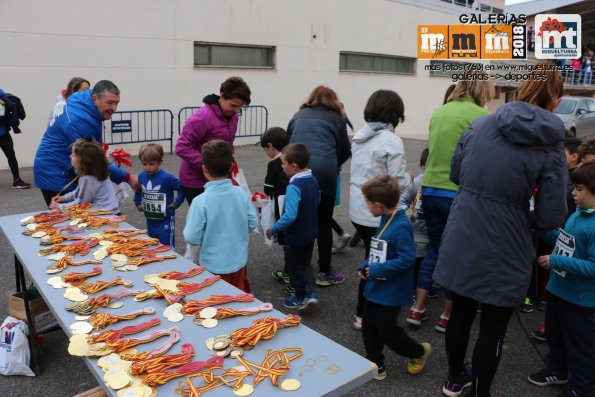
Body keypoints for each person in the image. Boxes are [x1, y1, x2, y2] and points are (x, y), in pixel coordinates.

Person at [433, 64, 567, 397]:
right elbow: (551, 214)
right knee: (493, 327)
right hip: (508, 237)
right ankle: (481, 391)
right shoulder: (550, 143)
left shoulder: (481, 123)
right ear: (556, 97)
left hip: (464, 226)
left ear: (523, 87)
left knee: (460, 313)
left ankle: (453, 378)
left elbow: (456, 173)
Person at [407, 74, 494, 333]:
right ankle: (446, 316)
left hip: (431, 189)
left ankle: (418, 308)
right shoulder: (481, 116)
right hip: (458, 192)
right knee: (458, 255)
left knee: (435, 249)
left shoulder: (439, 112)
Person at [527, 162, 595, 397]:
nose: (573, 193)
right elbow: (566, 242)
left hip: (580, 301)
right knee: (555, 337)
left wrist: (557, 261)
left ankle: (581, 388)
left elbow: (593, 267)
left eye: (579, 189)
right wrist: (546, 231)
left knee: (580, 347)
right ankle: (557, 369)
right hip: (559, 291)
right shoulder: (578, 214)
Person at [357, 175, 431, 381]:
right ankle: (375, 362)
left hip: (391, 292)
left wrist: (377, 270)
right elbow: (377, 248)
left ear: (379, 205)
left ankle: (418, 352)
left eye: (368, 203)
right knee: (369, 328)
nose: (367, 207)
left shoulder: (400, 226)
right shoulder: (386, 218)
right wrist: (365, 266)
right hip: (376, 287)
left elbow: (407, 258)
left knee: (387, 331)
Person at [349, 89, 412, 330]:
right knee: (376, 263)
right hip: (379, 212)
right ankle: (366, 314)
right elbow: (395, 181)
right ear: (395, 114)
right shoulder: (391, 140)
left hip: (359, 208)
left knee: (371, 256)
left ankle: (364, 313)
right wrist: (408, 177)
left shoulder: (360, 136)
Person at [34, 80, 138, 207]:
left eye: (117, 103)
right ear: (94, 98)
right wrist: (128, 178)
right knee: (70, 220)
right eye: (109, 103)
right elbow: (95, 160)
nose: (114, 108)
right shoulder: (79, 120)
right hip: (55, 173)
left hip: (65, 169)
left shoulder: (86, 104)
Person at [287, 85, 351, 287]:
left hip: (299, 172)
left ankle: (294, 268)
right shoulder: (336, 118)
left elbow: (290, 143)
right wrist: (333, 163)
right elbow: (344, 150)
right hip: (325, 174)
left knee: (298, 219)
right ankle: (325, 271)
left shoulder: (298, 115)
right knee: (323, 222)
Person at [184, 140, 257, 292]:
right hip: (238, 261)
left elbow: (192, 237)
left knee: (217, 303)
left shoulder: (200, 201)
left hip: (213, 266)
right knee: (238, 301)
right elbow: (252, 222)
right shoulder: (240, 193)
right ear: (231, 166)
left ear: (204, 169)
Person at [176, 76, 251, 205]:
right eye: (233, 105)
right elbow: (182, 147)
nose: (235, 110)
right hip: (196, 181)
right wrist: (211, 165)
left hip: (220, 177)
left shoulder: (233, 116)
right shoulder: (202, 117)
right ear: (222, 96)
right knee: (205, 221)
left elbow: (227, 144)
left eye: (240, 107)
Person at [266, 143, 320, 314]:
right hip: (311, 231)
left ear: (294, 165)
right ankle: (311, 294)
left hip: (296, 235)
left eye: (283, 163)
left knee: (295, 267)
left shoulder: (293, 186)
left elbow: (290, 215)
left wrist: (274, 228)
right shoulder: (313, 180)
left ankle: (298, 296)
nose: (282, 167)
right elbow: (317, 201)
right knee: (305, 263)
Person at [260, 127, 293, 293]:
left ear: (271, 146)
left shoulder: (274, 164)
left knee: (285, 239)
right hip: (293, 201)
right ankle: (290, 269)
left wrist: (264, 193)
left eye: (266, 149)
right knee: (291, 238)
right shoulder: (292, 159)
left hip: (281, 205)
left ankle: (289, 271)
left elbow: (267, 187)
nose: (266, 152)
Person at [134, 143, 184, 249]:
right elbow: (138, 189)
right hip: (150, 220)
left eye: (151, 164)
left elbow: (182, 188)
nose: (147, 167)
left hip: (165, 220)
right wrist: (138, 203)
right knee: (153, 247)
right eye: (144, 164)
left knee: (166, 248)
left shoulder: (167, 178)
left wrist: (176, 203)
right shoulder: (141, 176)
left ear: (160, 162)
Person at [49, 138, 119, 213]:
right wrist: (64, 198)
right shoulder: (95, 172)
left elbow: (81, 204)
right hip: (110, 211)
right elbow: (79, 191)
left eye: (73, 155)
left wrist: (59, 207)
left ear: (83, 161)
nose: (70, 156)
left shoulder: (88, 179)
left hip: (106, 215)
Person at [398, 148, 430, 293]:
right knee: (417, 263)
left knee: (428, 262)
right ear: (421, 165)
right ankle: (414, 288)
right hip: (416, 231)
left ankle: (425, 285)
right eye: (427, 166)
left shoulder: (445, 185)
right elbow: (402, 200)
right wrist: (409, 213)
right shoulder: (417, 182)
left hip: (433, 233)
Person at [0, 88, 30, 188]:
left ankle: (17, 180)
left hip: (2, 133)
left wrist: (3, 104)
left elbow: (7, 101)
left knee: (11, 155)